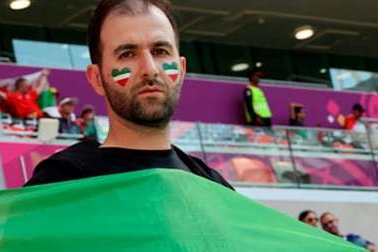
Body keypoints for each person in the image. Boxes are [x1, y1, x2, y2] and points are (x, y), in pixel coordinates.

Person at [25, 0, 230, 190]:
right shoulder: (63, 181)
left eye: (160, 51)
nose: (150, 69)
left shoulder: (212, 186)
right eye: (127, 54)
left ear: (182, 70)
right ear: (97, 79)